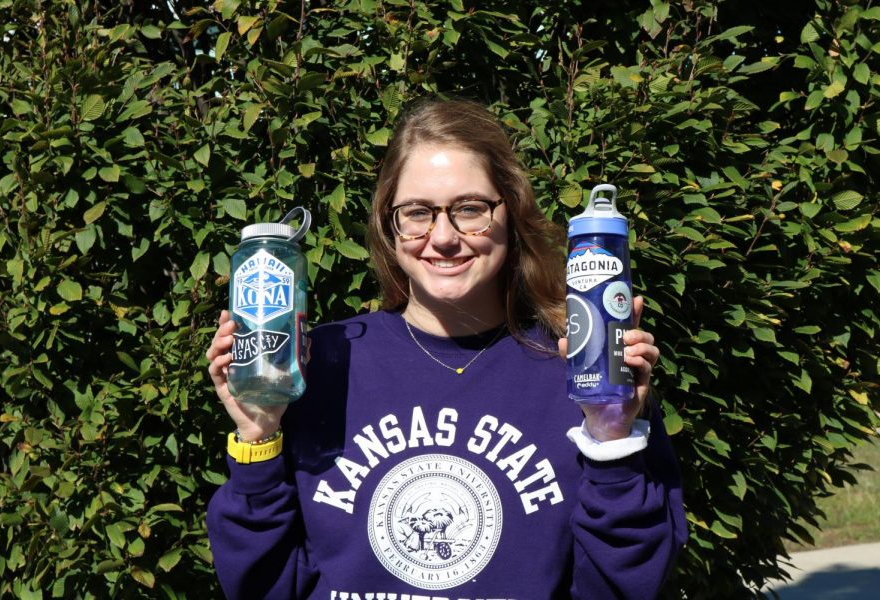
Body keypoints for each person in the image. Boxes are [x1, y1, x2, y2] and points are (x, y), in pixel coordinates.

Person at [205, 98, 687, 599]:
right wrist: (257, 434)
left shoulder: (580, 371)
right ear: (390, 226)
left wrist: (611, 440)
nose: (444, 237)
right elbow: (262, 584)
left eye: (470, 209)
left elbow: (625, 585)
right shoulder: (318, 363)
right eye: (417, 213)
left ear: (511, 213)